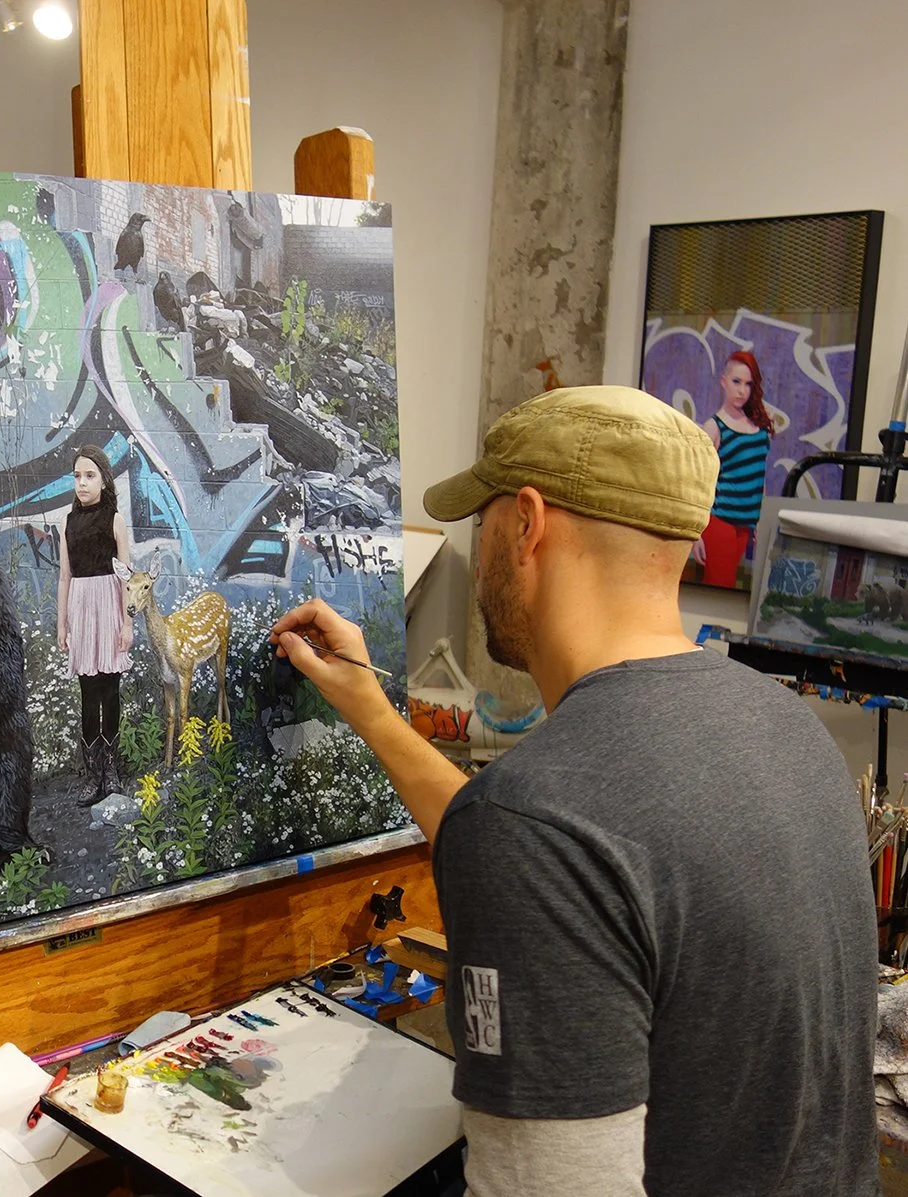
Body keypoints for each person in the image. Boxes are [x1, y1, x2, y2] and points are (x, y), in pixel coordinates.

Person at [270, 386, 877, 1196]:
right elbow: (584, 874)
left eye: (481, 521)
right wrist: (372, 711)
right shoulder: (785, 725)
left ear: (527, 522)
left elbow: (543, 849)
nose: (479, 547)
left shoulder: (538, 821)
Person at [57, 445, 133, 807]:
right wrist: (62, 624)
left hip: (109, 608)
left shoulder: (115, 520)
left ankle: (112, 770)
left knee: (110, 691)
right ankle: (93, 775)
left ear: (104, 479)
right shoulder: (68, 523)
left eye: (90, 475)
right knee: (88, 694)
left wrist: (128, 624)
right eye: (77, 476)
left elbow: (127, 579)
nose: (82, 483)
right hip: (82, 610)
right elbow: (64, 578)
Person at [693, 349, 772, 587]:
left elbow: (760, 476)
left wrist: (762, 517)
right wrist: (696, 533)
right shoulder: (714, 427)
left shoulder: (759, 426)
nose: (741, 390)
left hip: (747, 523)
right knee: (720, 585)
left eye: (748, 384)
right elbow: (699, 482)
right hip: (720, 521)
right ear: (723, 382)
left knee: (728, 585)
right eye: (736, 382)